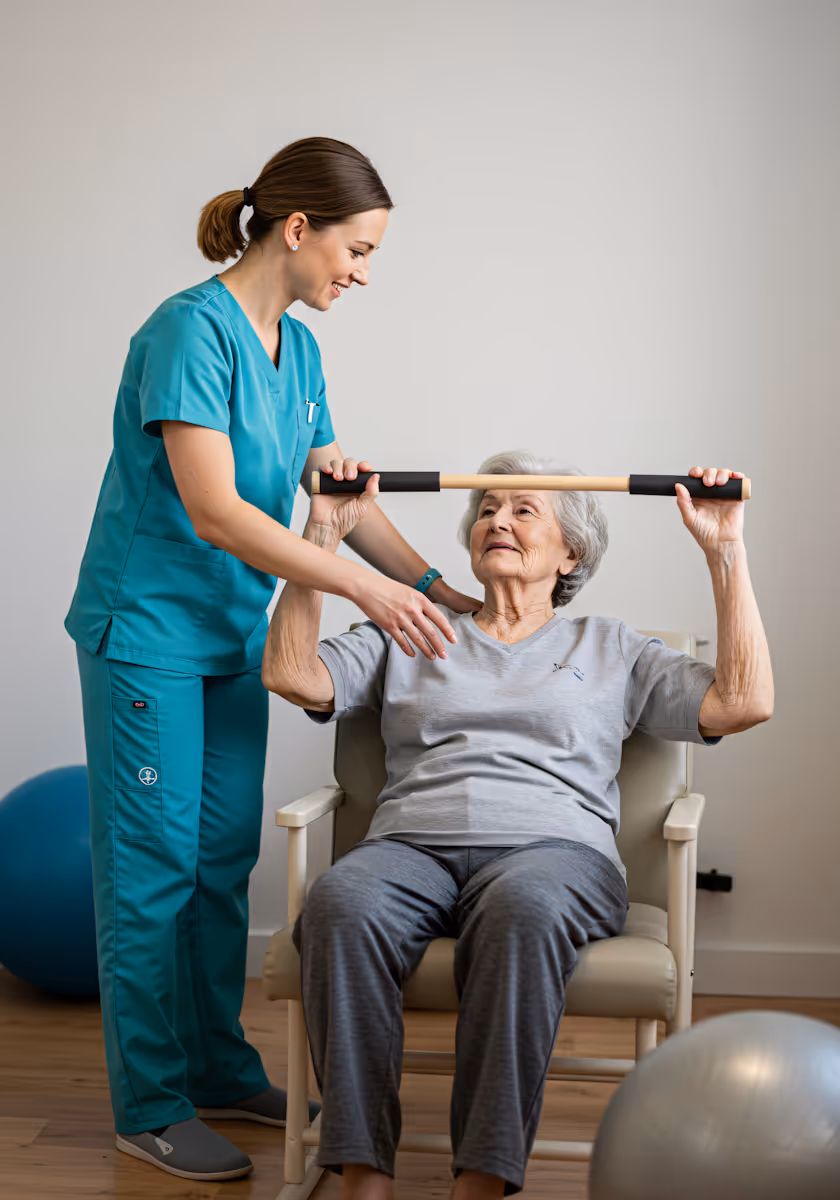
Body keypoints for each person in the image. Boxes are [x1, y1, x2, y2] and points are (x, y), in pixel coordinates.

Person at [64, 136, 478, 1183]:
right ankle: (148, 1104)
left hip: (232, 641)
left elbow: (339, 507)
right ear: (299, 230)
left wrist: (439, 593)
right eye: (359, 248)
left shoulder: (300, 350)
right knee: (152, 874)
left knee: (218, 864)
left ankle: (213, 1066)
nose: (363, 273)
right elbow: (217, 512)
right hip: (148, 636)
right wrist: (361, 591)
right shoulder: (186, 331)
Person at [262, 448, 774, 1200]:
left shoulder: (610, 646)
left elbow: (743, 701)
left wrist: (726, 550)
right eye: (487, 509)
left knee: (523, 909)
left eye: (523, 509)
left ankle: (481, 1179)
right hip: (411, 848)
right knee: (339, 902)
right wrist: (324, 535)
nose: (496, 519)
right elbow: (291, 673)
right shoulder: (413, 625)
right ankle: (362, 1176)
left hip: (556, 857)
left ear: (571, 552)